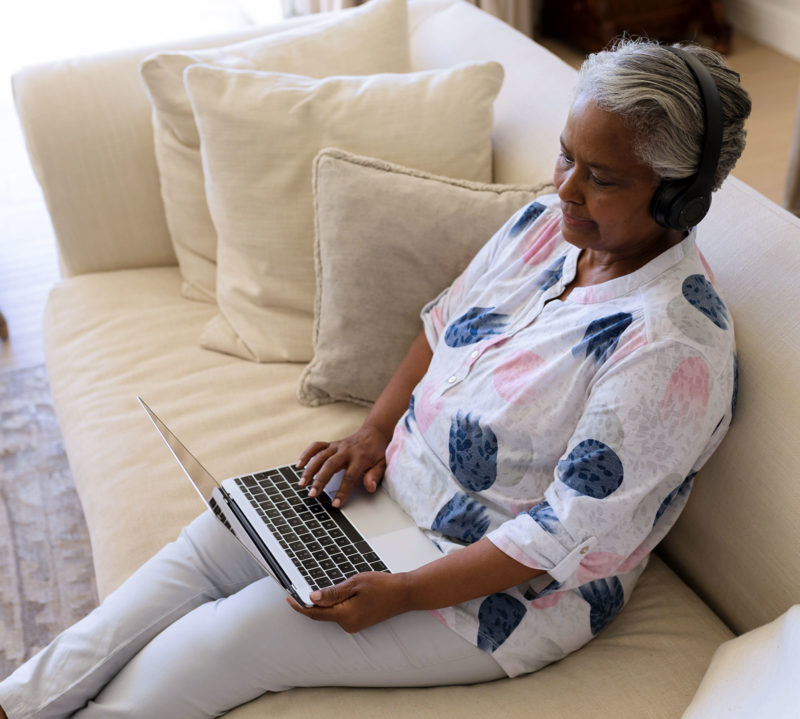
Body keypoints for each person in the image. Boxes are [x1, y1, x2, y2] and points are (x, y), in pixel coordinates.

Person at [0, 38, 751, 718]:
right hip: (386, 493)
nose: (566, 189)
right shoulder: (544, 227)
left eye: (602, 177)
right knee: (203, 549)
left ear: (677, 199)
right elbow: (444, 324)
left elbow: (565, 535)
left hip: (496, 593)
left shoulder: (672, 348)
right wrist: (372, 430)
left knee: (229, 639)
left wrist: (406, 594)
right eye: (566, 157)